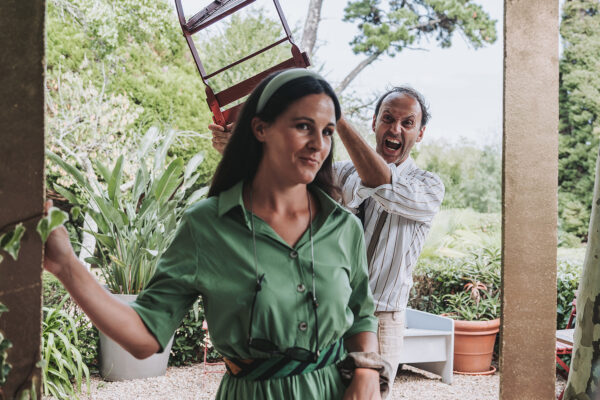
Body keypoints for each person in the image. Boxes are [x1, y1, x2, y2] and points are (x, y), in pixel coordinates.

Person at [44, 69, 391, 400]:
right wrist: (65, 265)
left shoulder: (344, 227)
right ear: (260, 129)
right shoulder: (207, 226)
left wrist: (366, 373)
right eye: (303, 126)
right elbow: (145, 335)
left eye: (327, 131)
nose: (318, 144)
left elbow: (360, 313)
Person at [210, 85, 445, 383]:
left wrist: (337, 115)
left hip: (382, 319)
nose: (395, 129)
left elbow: (380, 181)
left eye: (407, 123)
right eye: (387, 118)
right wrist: (238, 150)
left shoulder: (428, 186)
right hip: (325, 311)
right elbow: (281, 185)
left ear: (420, 133)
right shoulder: (341, 173)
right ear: (374, 123)